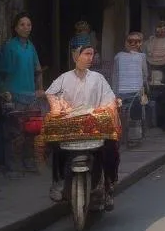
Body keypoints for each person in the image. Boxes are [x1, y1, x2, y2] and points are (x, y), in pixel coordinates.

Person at [45, 36, 120, 210]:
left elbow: (109, 99)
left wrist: (108, 109)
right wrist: (60, 109)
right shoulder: (64, 78)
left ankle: (108, 185)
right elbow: (52, 96)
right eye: (86, 54)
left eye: (91, 54)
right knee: (56, 147)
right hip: (70, 128)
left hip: (94, 126)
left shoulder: (98, 78)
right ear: (74, 55)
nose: (89, 58)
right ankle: (60, 182)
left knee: (110, 148)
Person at [0, 12, 44, 177]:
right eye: (22, 24)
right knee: (13, 132)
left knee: (31, 131)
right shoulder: (9, 46)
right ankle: (12, 165)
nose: (26, 28)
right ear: (15, 28)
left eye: (28, 25)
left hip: (30, 95)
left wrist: (40, 89)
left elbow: (38, 70)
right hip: (13, 94)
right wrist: (4, 93)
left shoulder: (31, 46)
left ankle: (29, 162)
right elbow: (0, 73)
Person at [111, 32, 149, 140]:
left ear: (140, 43)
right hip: (121, 91)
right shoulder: (118, 56)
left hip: (137, 91)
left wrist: (144, 89)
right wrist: (114, 92)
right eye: (130, 41)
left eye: (137, 41)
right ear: (125, 42)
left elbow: (145, 73)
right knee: (121, 116)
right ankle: (122, 136)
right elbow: (115, 74)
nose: (133, 43)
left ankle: (134, 137)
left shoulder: (142, 56)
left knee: (136, 115)